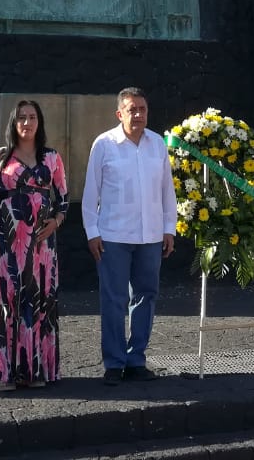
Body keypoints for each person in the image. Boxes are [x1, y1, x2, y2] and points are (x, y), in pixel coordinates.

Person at [82, 87, 176, 386]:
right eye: (132, 109)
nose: (138, 115)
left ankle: (136, 360)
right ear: (119, 113)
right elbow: (90, 192)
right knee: (114, 299)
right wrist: (92, 231)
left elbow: (166, 190)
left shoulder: (157, 144)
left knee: (146, 297)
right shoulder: (105, 144)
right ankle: (113, 362)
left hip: (150, 236)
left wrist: (168, 228)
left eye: (142, 109)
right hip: (112, 235)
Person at [0, 99, 69, 389]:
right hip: (7, 244)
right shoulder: (0, 157)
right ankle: (5, 373)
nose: (27, 123)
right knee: (7, 302)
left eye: (32, 117)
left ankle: (35, 371)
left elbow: (64, 201)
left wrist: (55, 222)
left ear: (39, 122)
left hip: (42, 248)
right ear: (14, 123)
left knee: (39, 303)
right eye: (21, 118)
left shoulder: (52, 158)